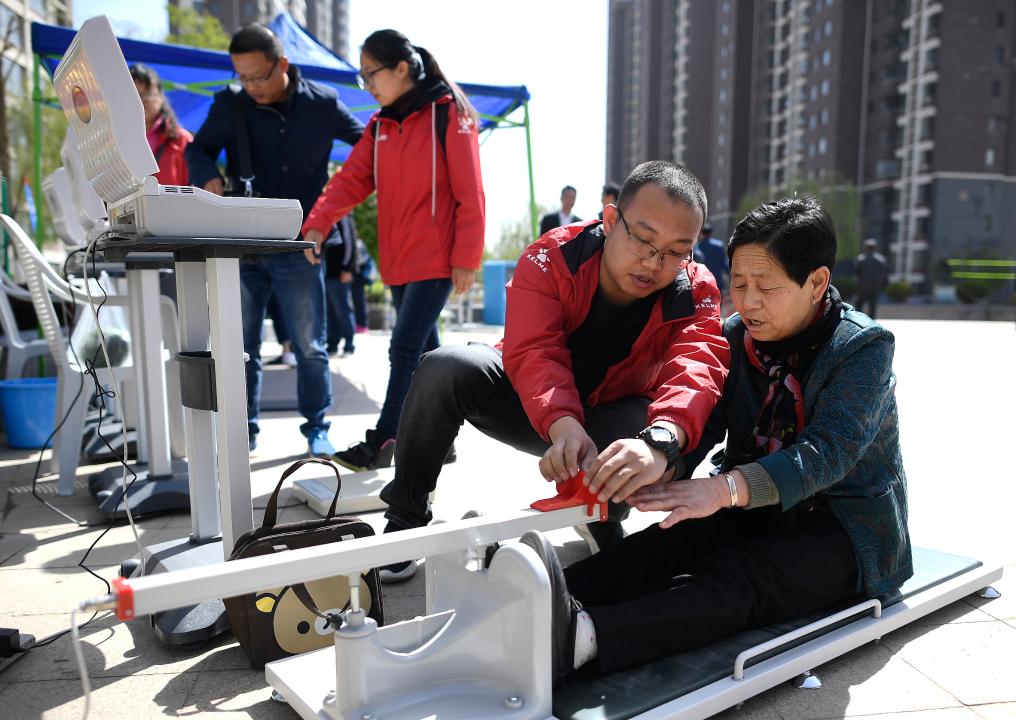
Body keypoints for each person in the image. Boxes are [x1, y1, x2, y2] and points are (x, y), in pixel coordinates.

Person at [520, 196, 912, 685]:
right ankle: (534, 595)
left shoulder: (862, 346)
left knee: (739, 575)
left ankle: (580, 638)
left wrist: (723, 490)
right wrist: (660, 460)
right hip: (755, 505)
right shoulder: (735, 337)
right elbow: (705, 423)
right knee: (664, 544)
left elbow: (826, 455)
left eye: (765, 286)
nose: (747, 301)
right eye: (739, 283)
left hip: (841, 529)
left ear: (816, 283)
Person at [376, 161, 729, 582]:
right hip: (532, 404)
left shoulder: (695, 288)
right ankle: (406, 518)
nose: (654, 262)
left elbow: (698, 365)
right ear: (611, 219)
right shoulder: (553, 255)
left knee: (648, 430)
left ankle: (601, 513)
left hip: (614, 420)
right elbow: (534, 349)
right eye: (643, 239)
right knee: (444, 367)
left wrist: (662, 441)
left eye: (676, 250)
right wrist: (562, 423)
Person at [301, 29, 485, 471]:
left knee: (403, 348)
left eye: (371, 74)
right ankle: (442, 439)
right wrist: (319, 221)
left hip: (438, 257)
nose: (367, 85)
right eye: (362, 76)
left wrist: (466, 257)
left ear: (401, 69)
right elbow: (351, 179)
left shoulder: (450, 113)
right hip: (399, 259)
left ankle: (385, 439)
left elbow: (471, 192)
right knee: (426, 355)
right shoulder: (380, 125)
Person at [185, 24, 364, 457]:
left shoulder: (323, 103)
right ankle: (243, 431)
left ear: (282, 64)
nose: (251, 86)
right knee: (240, 347)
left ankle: (317, 428)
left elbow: (366, 147)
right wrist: (207, 175)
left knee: (310, 346)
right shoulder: (230, 104)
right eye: (243, 77)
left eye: (259, 76)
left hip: (301, 245)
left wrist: (333, 202)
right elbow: (198, 149)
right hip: (241, 244)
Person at [130, 63, 192, 186]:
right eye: (134, 94)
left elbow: (196, 188)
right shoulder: (113, 142)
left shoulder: (182, 140)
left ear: (160, 96)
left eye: (147, 93)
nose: (140, 100)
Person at [325, 215, 359, 356]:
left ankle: (349, 345)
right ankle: (332, 345)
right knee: (330, 312)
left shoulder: (343, 216)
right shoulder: (327, 215)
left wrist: (347, 268)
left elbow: (350, 243)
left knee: (343, 310)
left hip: (340, 274)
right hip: (326, 273)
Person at [693, 223, 730, 299]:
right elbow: (724, 263)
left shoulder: (697, 247)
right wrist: (730, 274)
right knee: (717, 302)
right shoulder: (719, 245)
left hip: (702, 282)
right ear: (711, 233)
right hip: (717, 281)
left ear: (701, 233)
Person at [855, 238, 888, 318]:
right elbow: (884, 274)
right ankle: (872, 320)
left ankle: (859, 319)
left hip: (863, 286)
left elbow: (857, 273)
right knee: (873, 305)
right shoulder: (881, 260)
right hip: (875, 286)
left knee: (859, 304)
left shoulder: (861, 259)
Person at [351, 238, 375, 333]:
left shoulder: (358, 243)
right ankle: (359, 324)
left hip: (357, 274)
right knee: (357, 301)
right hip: (356, 274)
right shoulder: (358, 242)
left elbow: (361, 259)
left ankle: (362, 325)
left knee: (359, 301)